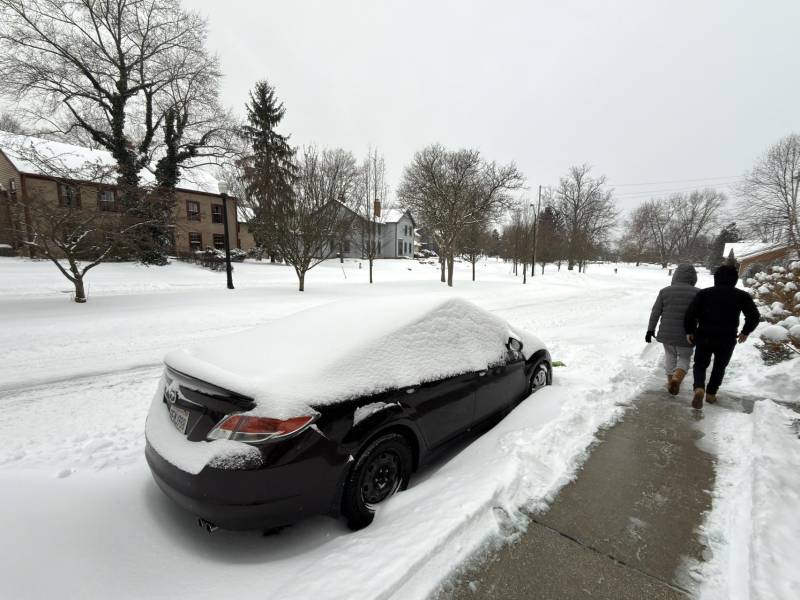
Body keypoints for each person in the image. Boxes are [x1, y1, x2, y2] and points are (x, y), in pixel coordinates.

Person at [683, 264, 760, 409]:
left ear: (716, 278)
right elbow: (754, 316)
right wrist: (745, 332)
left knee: (700, 364)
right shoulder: (741, 295)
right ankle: (711, 393)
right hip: (727, 337)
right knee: (720, 366)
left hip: (704, 335)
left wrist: (690, 331)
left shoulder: (704, 293)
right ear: (735, 279)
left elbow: (690, 314)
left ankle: (699, 388)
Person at [646, 264, 699, 395]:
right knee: (685, 357)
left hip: (667, 332)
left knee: (670, 355)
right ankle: (677, 377)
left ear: (675, 276)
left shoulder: (665, 291)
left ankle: (670, 381)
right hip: (688, 334)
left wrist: (650, 330)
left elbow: (655, 312)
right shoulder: (698, 293)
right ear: (694, 278)